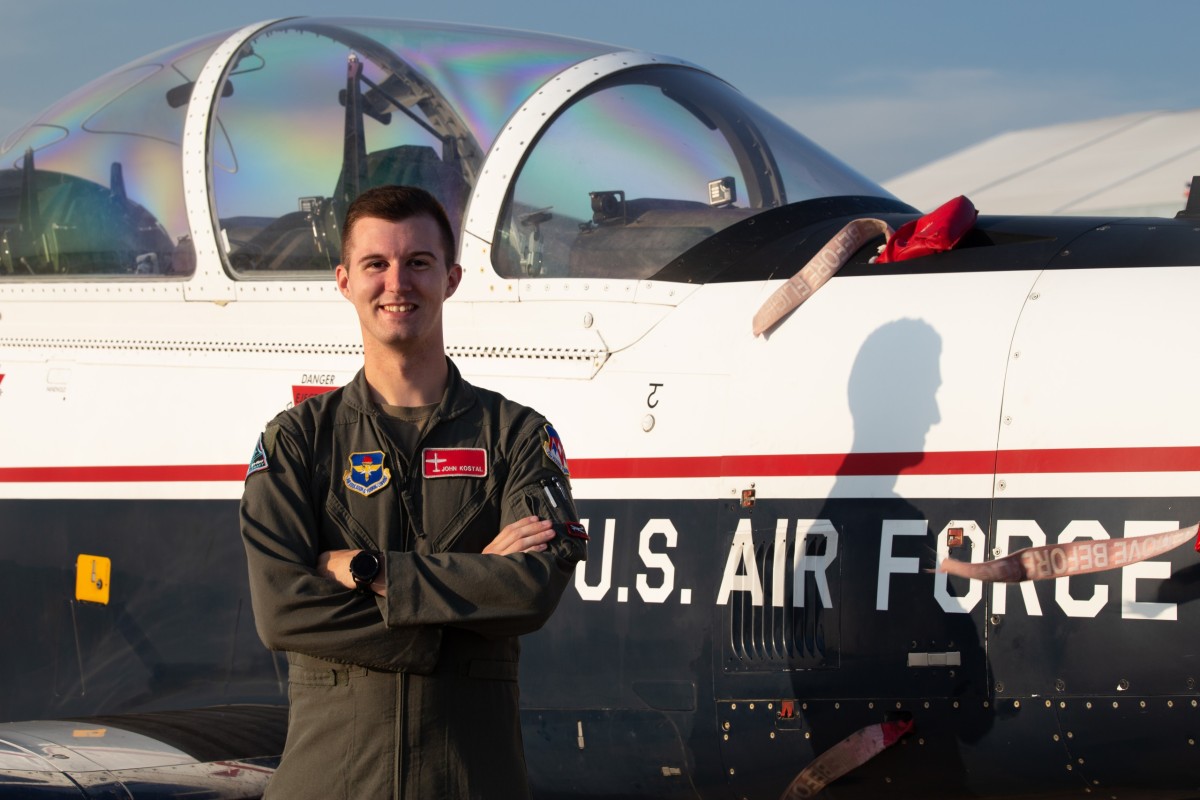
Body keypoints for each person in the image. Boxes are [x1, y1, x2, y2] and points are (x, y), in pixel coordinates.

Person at [240, 185, 587, 799]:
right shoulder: (298, 441)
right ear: (344, 280)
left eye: (418, 263)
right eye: (377, 264)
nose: (397, 282)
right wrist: (466, 601)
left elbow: (531, 590)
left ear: (451, 278)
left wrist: (373, 573)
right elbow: (281, 609)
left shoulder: (518, 438)